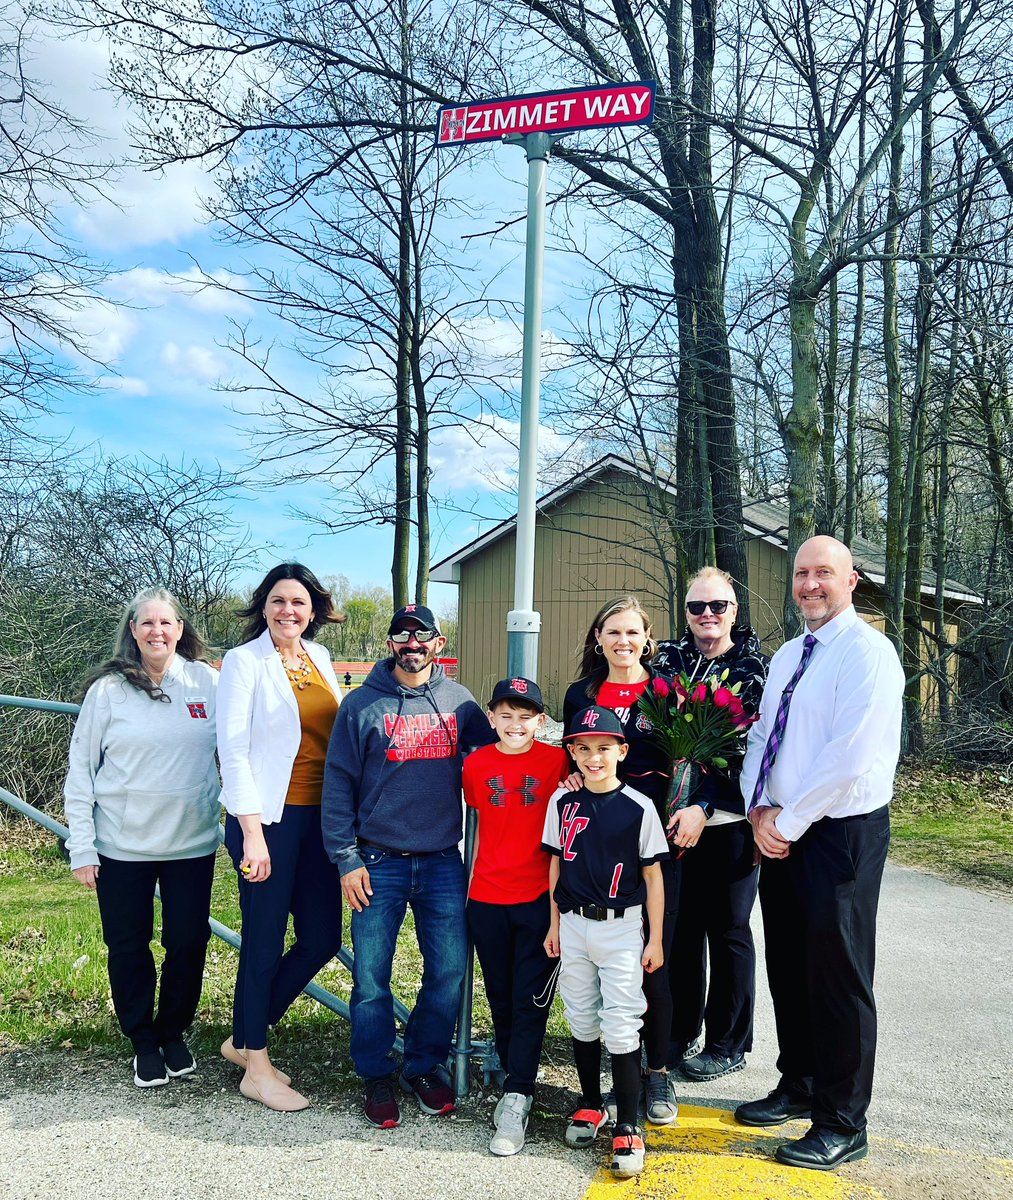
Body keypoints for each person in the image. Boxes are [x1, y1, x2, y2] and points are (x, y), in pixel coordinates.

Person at [736, 536, 904, 1171]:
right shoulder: (787, 655)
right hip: (779, 828)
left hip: (838, 834)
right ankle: (799, 1081)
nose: (810, 584)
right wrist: (757, 808)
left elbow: (849, 755)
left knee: (838, 974)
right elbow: (763, 736)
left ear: (851, 581)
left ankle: (842, 1119)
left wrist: (791, 819)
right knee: (790, 964)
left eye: (823, 573)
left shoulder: (868, 654)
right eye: (802, 572)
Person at [321, 603, 496, 1129]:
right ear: (391, 642)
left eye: (423, 636)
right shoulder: (360, 706)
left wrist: (563, 773)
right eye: (403, 635)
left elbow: (497, 762)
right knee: (372, 976)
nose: (413, 643)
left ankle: (423, 1064)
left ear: (439, 644)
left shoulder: (460, 704)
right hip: (377, 861)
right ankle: (376, 1072)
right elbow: (337, 787)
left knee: (447, 970)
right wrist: (347, 859)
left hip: (443, 860)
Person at [64, 587, 221, 1088]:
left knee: (188, 942)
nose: (157, 631)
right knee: (128, 944)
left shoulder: (206, 682)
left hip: (192, 843)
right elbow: (81, 773)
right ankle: (143, 1041)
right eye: (146, 623)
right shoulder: (107, 692)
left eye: (166, 622)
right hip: (121, 847)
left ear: (180, 629)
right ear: (133, 631)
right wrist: (82, 847)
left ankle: (173, 1032)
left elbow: (241, 749)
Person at [217, 563, 345, 1113]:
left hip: (319, 821)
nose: (288, 611)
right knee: (265, 937)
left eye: (298, 602)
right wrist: (251, 833)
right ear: (263, 607)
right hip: (266, 820)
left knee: (321, 937)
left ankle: (244, 1035)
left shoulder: (318, 659)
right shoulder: (245, 663)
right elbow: (234, 750)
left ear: (313, 609)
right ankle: (257, 1067)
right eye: (277, 601)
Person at [562, 597, 679, 1126]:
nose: (622, 641)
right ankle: (603, 1086)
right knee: (596, 975)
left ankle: (656, 1076)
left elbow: (685, 755)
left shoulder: (666, 691)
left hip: (652, 832)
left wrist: (692, 804)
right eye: (613, 631)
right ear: (598, 638)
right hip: (596, 841)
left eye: (632, 632)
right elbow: (576, 751)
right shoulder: (581, 694)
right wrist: (573, 780)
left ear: (646, 638)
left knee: (651, 961)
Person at [543, 706, 669, 1179]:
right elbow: (554, 865)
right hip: (574, 923)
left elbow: (654, 878)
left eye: (603, 748)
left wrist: (655, 938)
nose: (593, 757)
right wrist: (554, 925)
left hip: (620, 926)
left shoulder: (639, 805)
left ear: (622, 751)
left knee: (620, 1021)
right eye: (583, 748)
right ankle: (592, 1102)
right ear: (571, 752)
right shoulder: (562, 803)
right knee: (579, 1013)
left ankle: (630, 1125)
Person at [653, 568, 768, 1080]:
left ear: (734, 611)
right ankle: (679, 1031)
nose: (707, 616)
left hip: (727, 821)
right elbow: (652, 734)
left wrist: (704, 806)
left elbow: (754, 752)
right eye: (697, 607)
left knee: (727, 930)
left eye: (717, 606)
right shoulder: (669, 662)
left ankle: (728, 1041)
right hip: (672, 819)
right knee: (681, 931)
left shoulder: (754, 670)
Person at [464, 677, 570, 1157]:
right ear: (491, 718)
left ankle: (519, 1093)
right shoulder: (475, 764)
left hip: (537, 899)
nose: (515, 724)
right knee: (500, 995)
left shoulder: (556, 763)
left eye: (525, 716)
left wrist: (557, 912)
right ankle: (514, 1075)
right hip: (486, 898)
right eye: (505, 715)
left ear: (541, 722)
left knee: (531, 998)